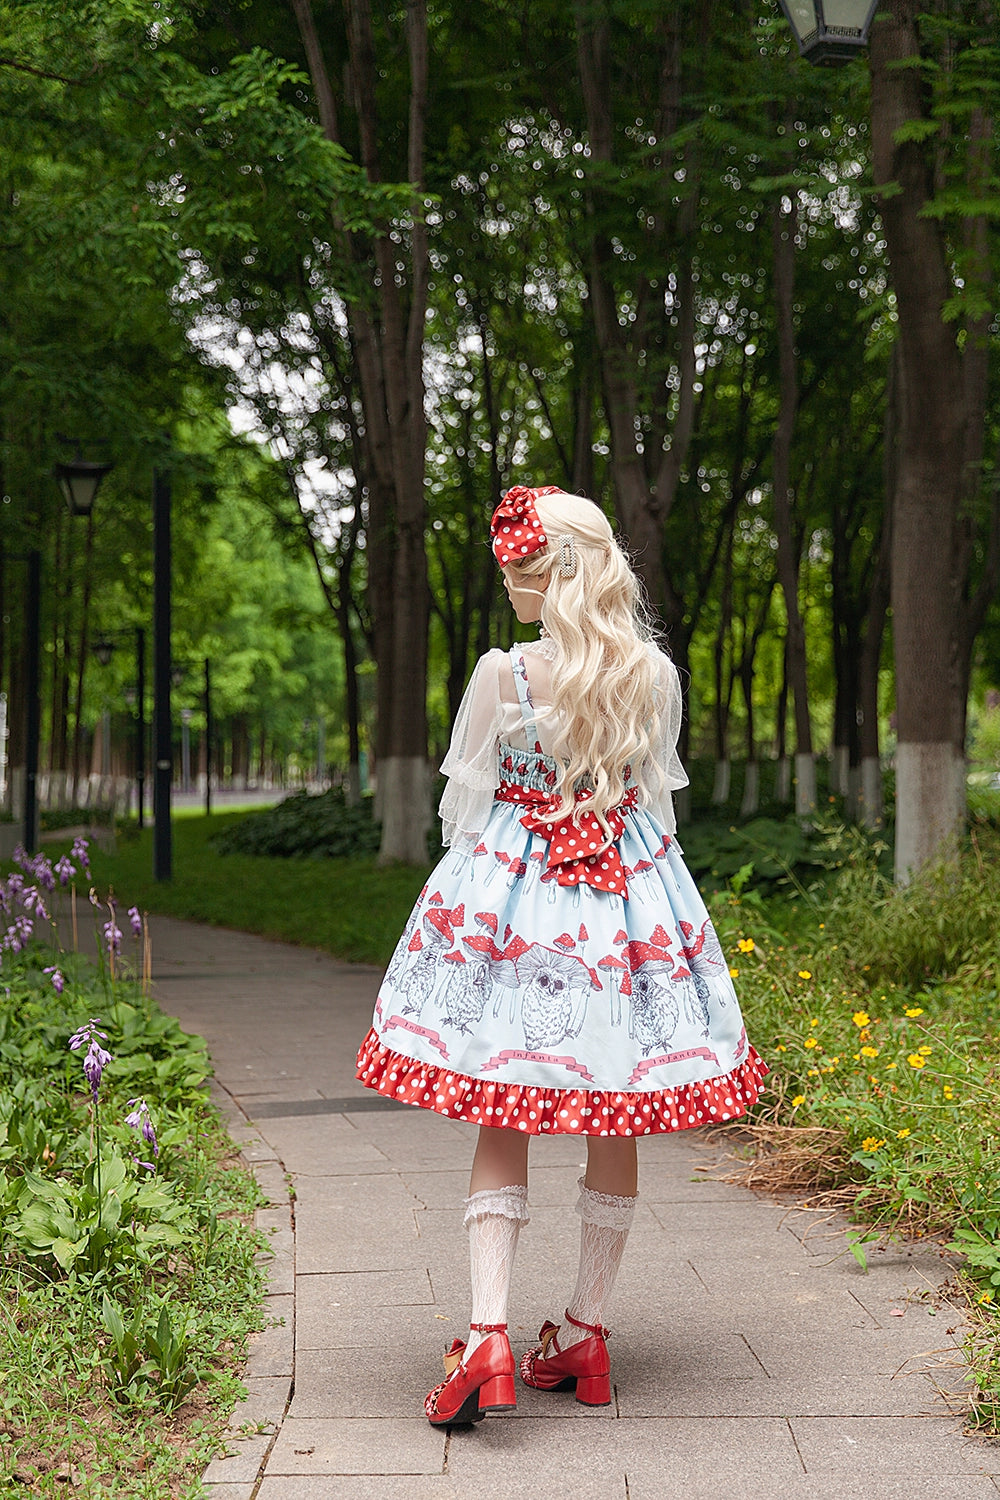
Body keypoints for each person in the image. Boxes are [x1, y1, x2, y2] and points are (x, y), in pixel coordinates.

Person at [356, 485, 767, 1426]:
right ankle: (586, 1333)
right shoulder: (651, 676)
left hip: (517, 902)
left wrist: (474, 889)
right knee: (610, 1110)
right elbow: (654, 806)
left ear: (555, 575)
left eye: (519, 571)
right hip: (627, 901)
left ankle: (489, 1337)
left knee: (504, 1105)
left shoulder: (504, 675)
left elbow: (467, 809)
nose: (509, 585)